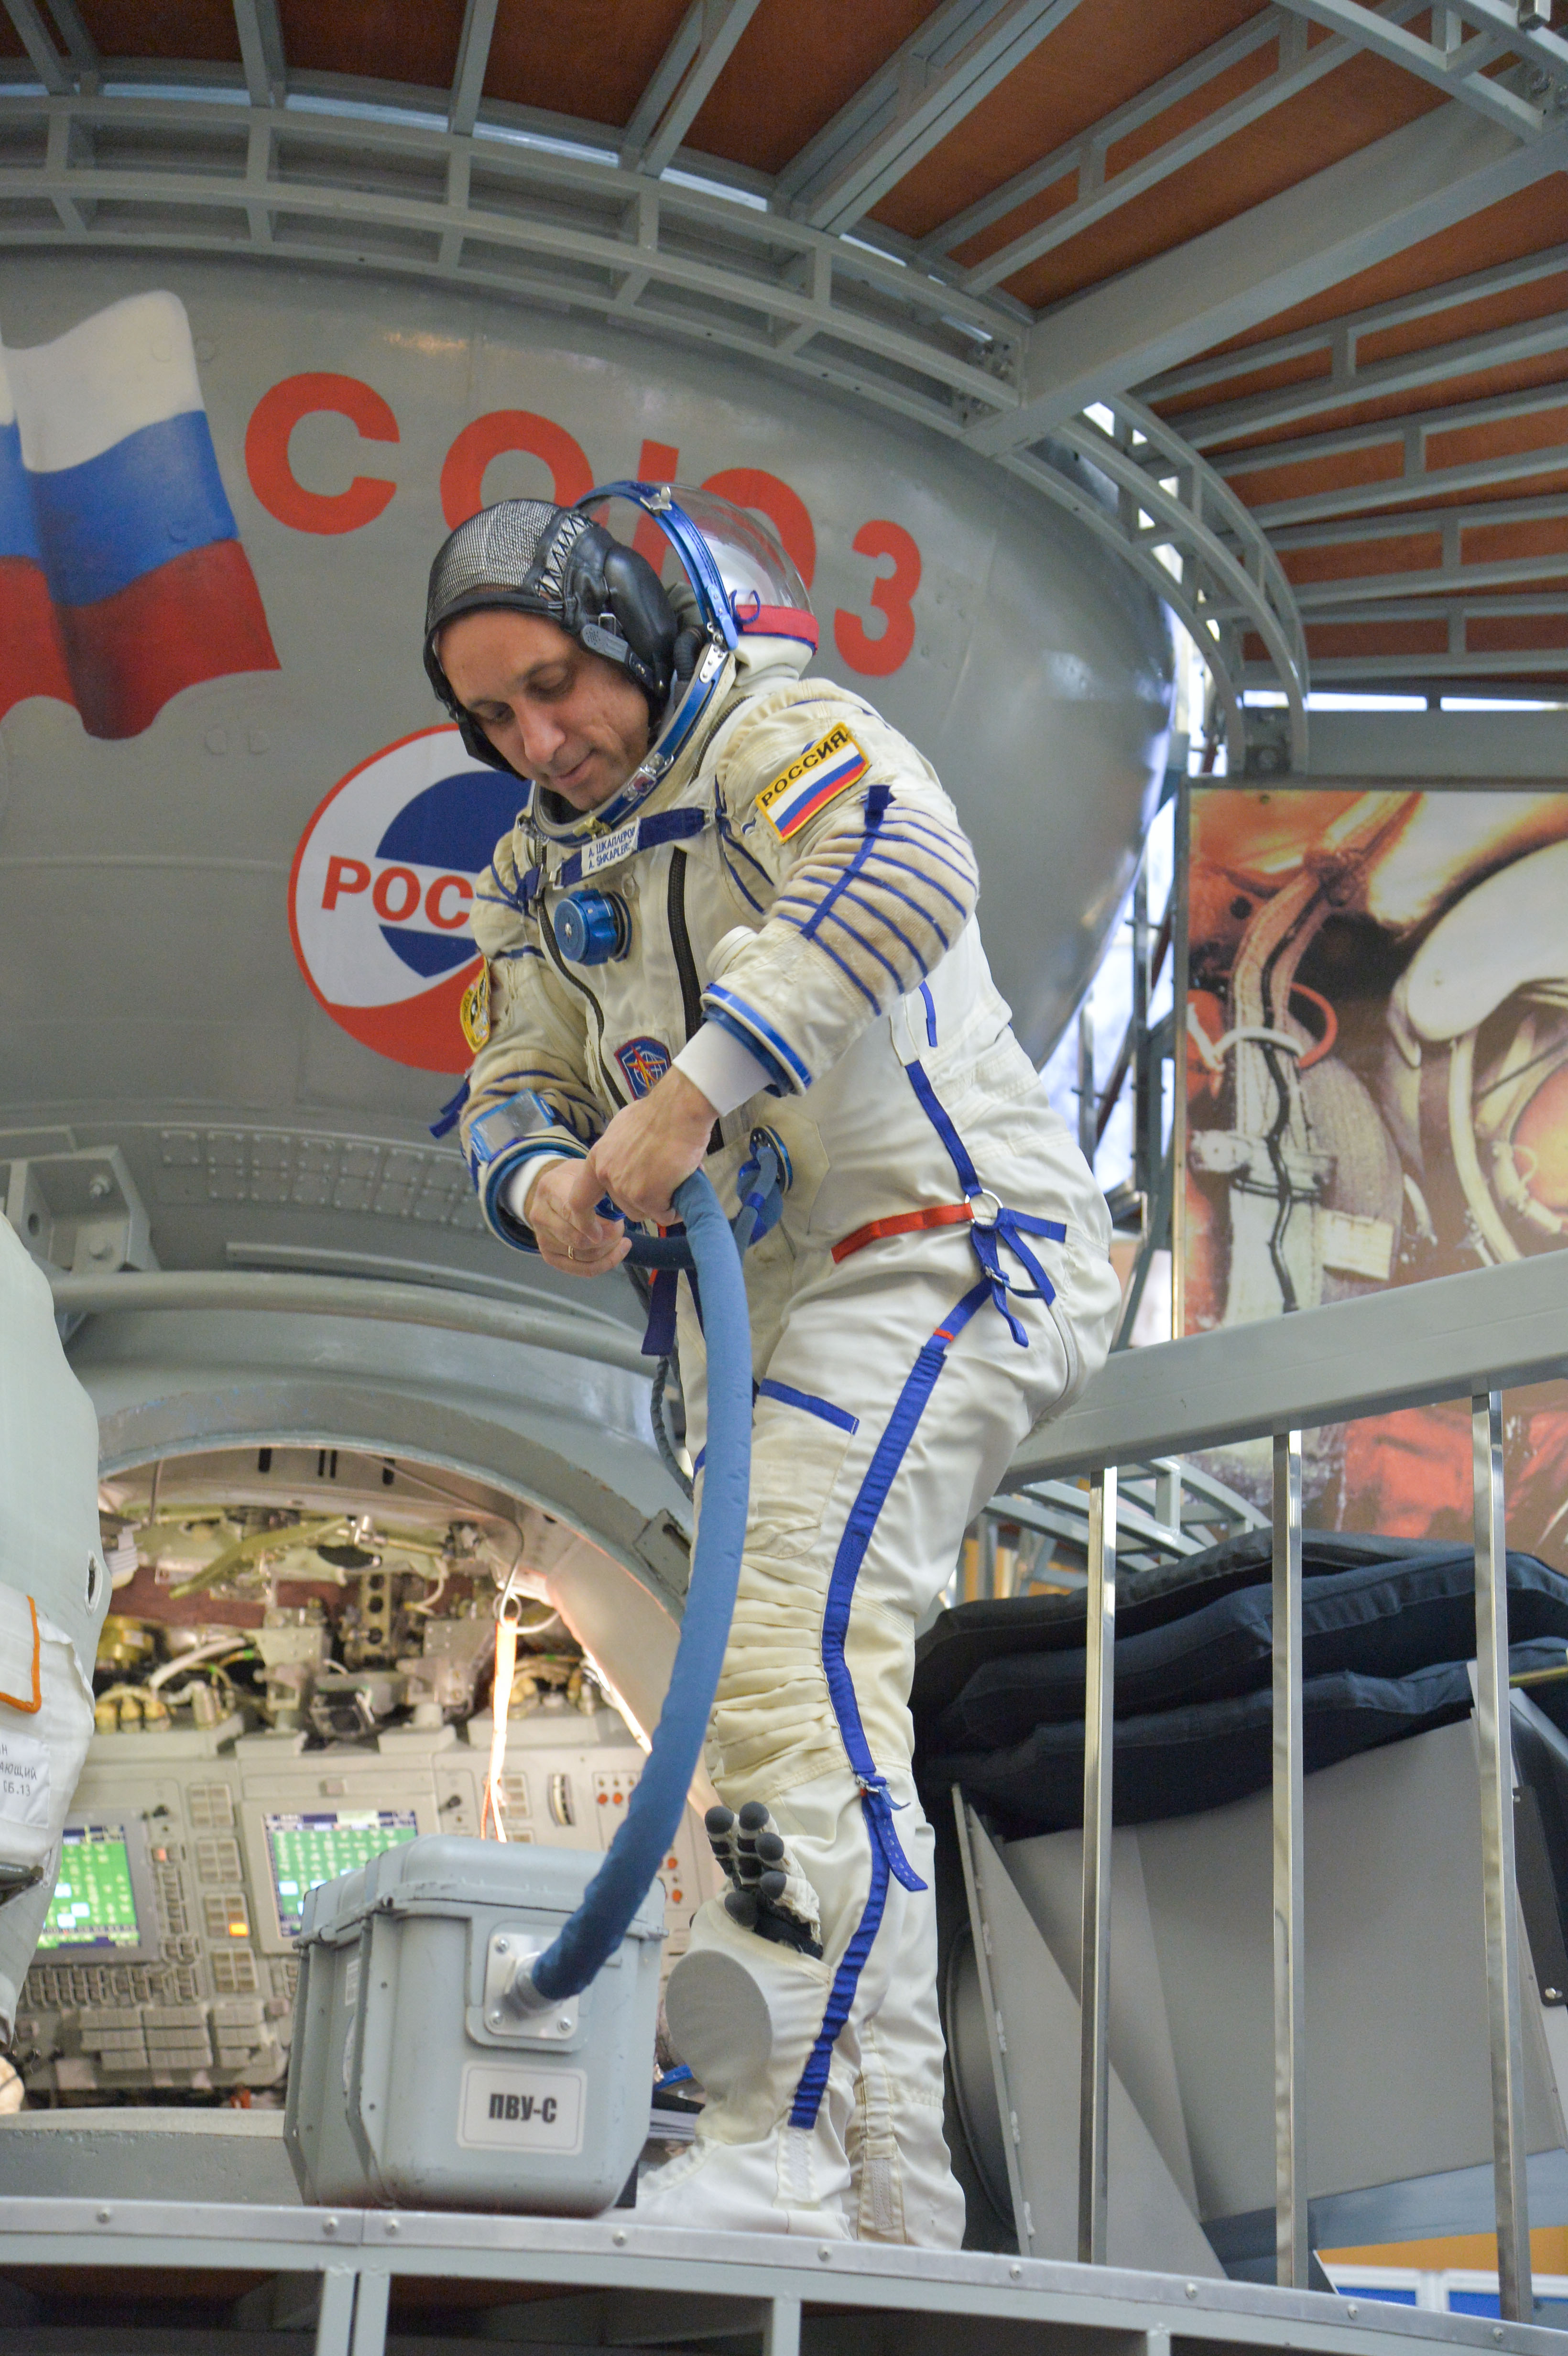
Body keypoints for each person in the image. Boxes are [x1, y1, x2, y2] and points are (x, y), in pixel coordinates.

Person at [425, 485, 1122, 2245]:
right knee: (766, 1695)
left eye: (563, 682)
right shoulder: (532, 867)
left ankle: (809, 2152)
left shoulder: (776, 732)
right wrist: (543, 1185)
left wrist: (684, 1096)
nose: (542, 736)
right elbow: (505, 1075)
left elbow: (906, 864)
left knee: (786, 1658)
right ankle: (859, 2174)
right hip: (793, 1312)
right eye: (495, 713)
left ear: (644, 643)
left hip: (951, 1242)